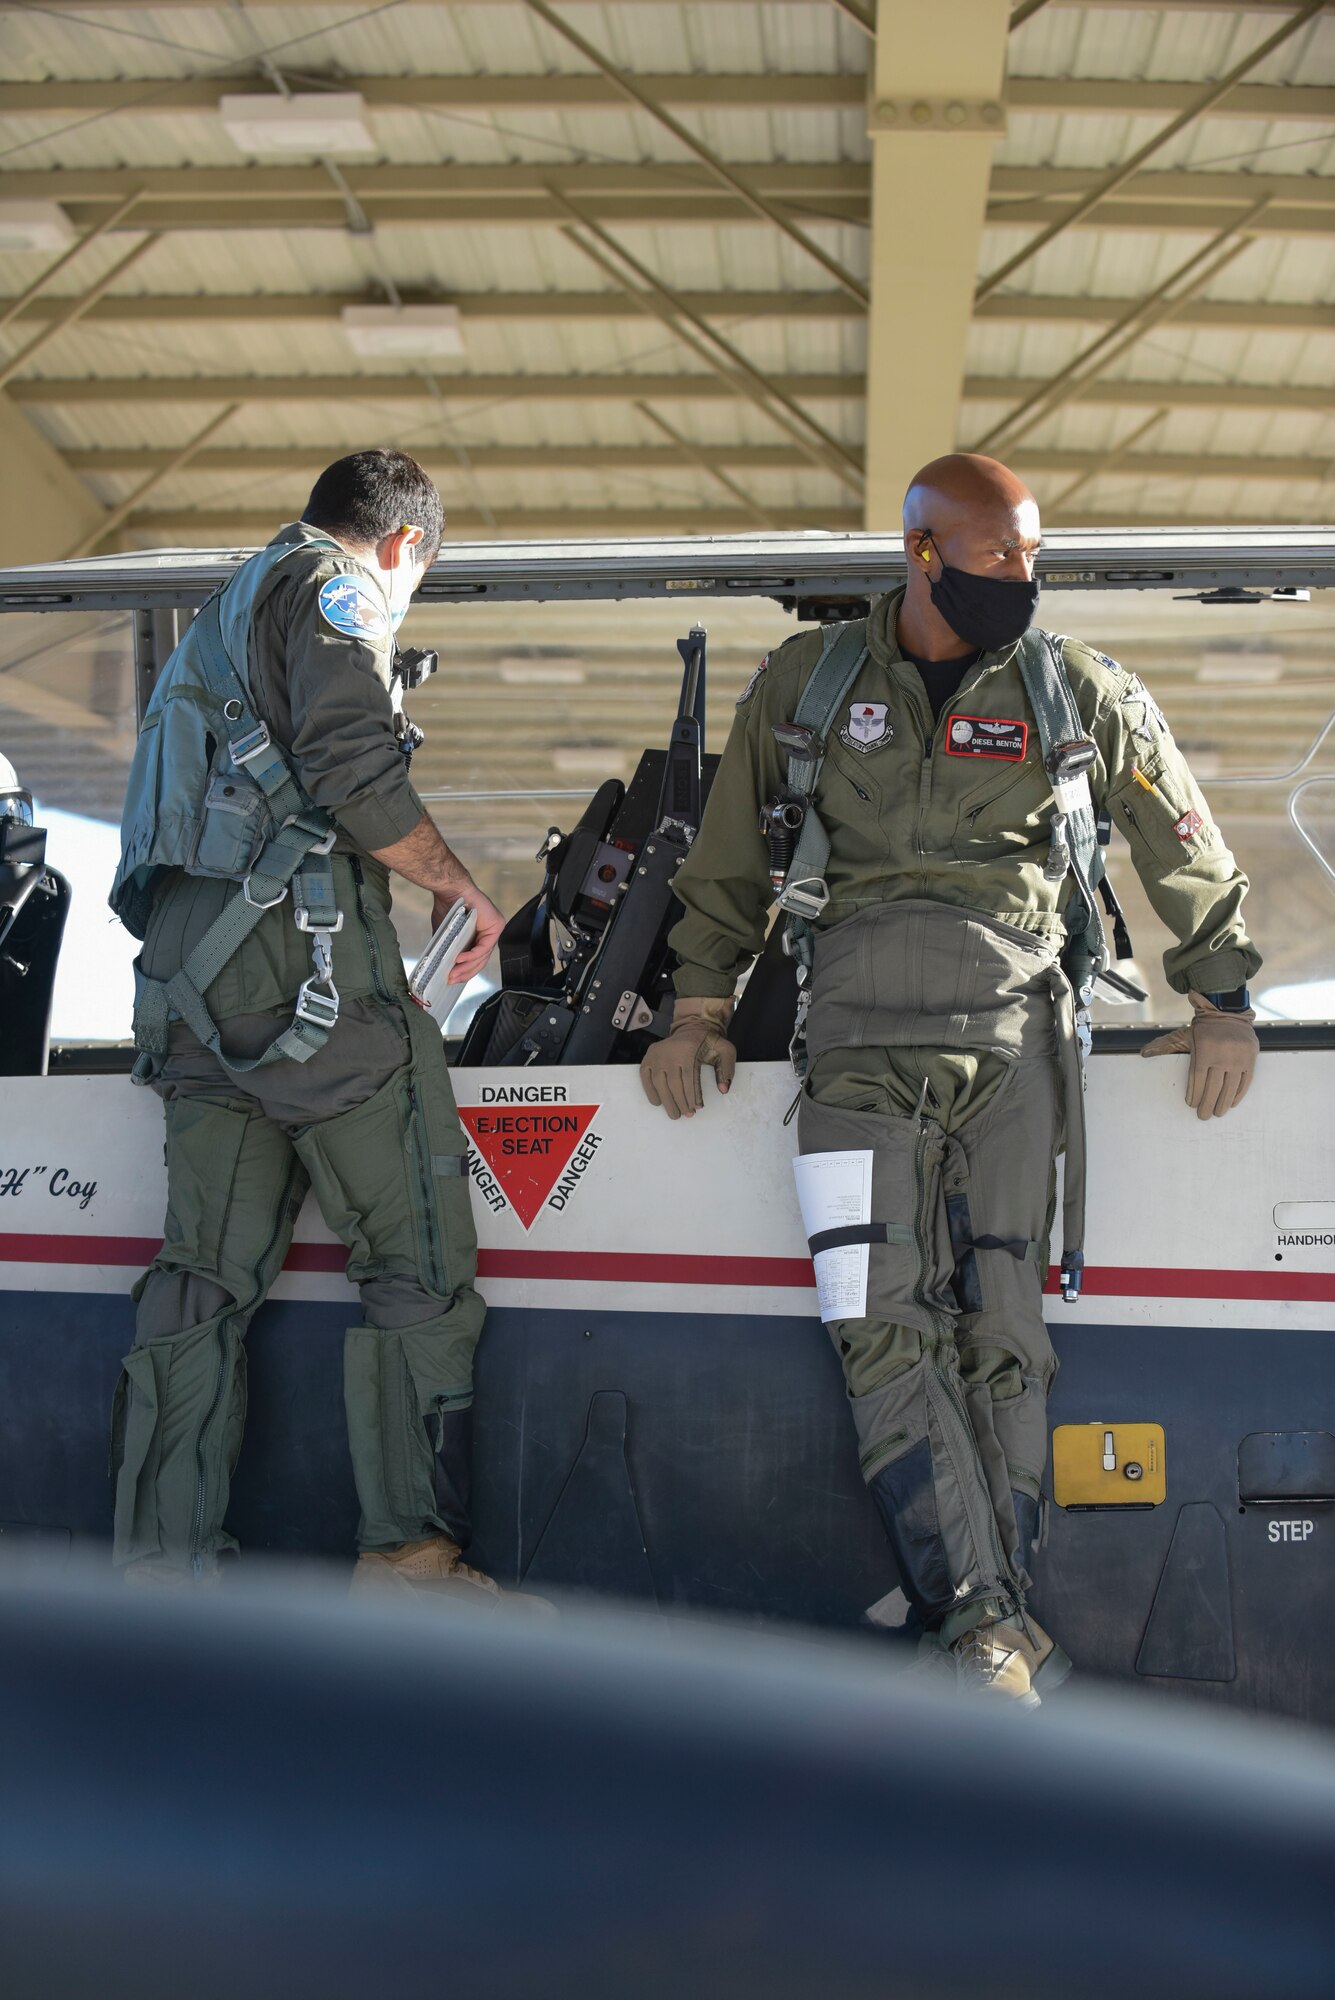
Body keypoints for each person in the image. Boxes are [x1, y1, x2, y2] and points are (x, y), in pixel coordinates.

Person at [641, 452, 1260, 1704]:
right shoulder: (807, 684)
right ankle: (988, 1623)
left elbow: (1180, 836)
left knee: (1005, 1329)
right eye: (999, 555)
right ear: (921, 551)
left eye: (1032, 554)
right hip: (851, 1048)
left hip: (1014, 1044)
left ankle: (988, 1626)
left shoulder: (1076, 689)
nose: (1023, 576)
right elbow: (726, 861)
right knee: (877, 1323)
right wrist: (697, 1009)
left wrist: (1224, 1001)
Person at [109, 448, 509, 1598]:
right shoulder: (340, 586)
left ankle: (159, 1579)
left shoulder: (228, 609)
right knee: (417, 1259)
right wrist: (457, 884)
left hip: (189, 985)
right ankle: (411, 1565)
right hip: (304, 966)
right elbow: (351, 762)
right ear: (405, 543)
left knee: (200, 1278)